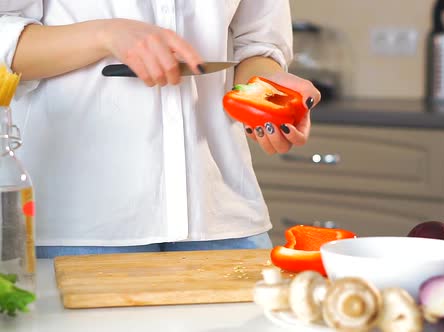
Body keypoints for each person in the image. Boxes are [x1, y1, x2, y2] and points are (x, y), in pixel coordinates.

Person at [0, 1, 320, 258]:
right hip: (81, 226)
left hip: (221, 216)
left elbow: (256, 46)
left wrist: (269, 88)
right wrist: (104, 35)